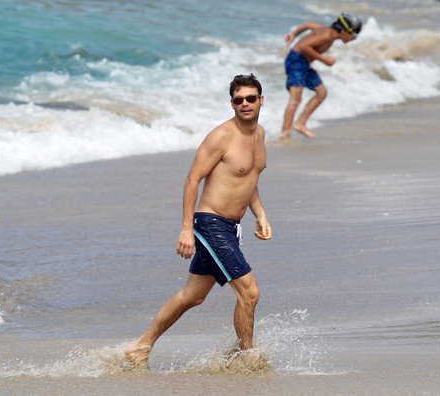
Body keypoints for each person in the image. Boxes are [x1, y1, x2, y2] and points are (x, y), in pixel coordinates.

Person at [125, 74, 273, 369]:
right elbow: (193, 179)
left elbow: (248, 179)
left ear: (261, 100)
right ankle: (248, 360)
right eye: (238, 99)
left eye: (250, 98)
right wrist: (186, 229)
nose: (245, 104)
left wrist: (260, 213)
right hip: (210, 223)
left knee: (192, 296)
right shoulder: (221, 136)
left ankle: (140, 347)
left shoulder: (260, 135)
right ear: (231, 103)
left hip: (231, 228)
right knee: (250, 292)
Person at [278, 12, 363, 141]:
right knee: (295, 99)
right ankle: (284, 135)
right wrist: (323, 59)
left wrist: (294, 34)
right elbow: (303, 46)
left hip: (303, 63)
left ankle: (300, 123)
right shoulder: (326, 35)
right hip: (295, 61)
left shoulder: (326, 31)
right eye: (355, 34)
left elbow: (307, 24)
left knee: (321, 92)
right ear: (345, 31)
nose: (354, 38)